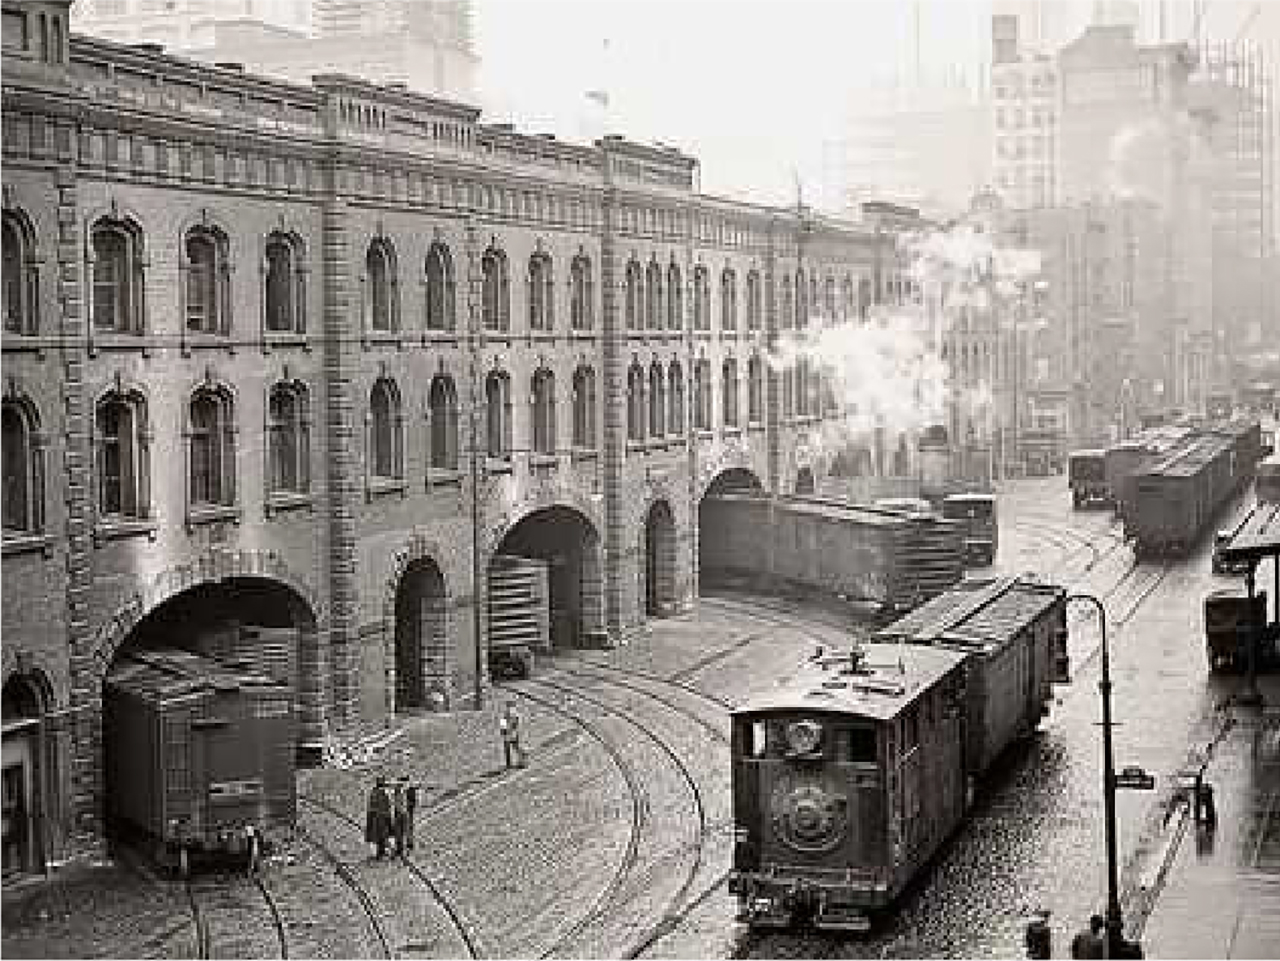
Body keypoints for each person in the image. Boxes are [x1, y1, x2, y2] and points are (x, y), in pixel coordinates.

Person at [364, 776, 392, 859]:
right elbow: (376, 807)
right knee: (380, 836)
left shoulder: (377, 793)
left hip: (380, 818)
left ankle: (381, 852)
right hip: (379, 818)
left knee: (382, 836)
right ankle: (379, 854)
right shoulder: (378, 794)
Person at [500, 703, 524, 769]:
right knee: (509, 749)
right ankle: (510, 763)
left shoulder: (513, 715)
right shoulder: (506, 715)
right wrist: (504, 732)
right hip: (509, 734)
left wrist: (513, 731)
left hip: (512, 734)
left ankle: (521, 761)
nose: (509, 709)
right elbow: (503, 725)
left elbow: (516, 724)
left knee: (515, 747)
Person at [390, 779, 407, 856]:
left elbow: (398, 806)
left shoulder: (399, 795)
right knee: (398, 834)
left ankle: (399, 850)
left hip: (399, 815)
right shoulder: (400, 794)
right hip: (400, 814)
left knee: (399, 833)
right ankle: (399, 849)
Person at [403, 780, 418, 851]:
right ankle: (409, 842)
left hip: (407, 811)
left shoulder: (408, 790)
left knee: (408, 827)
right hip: (408, 810)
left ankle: (409, 842)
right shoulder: (410, 790)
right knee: (409, 827)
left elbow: (412, 802)